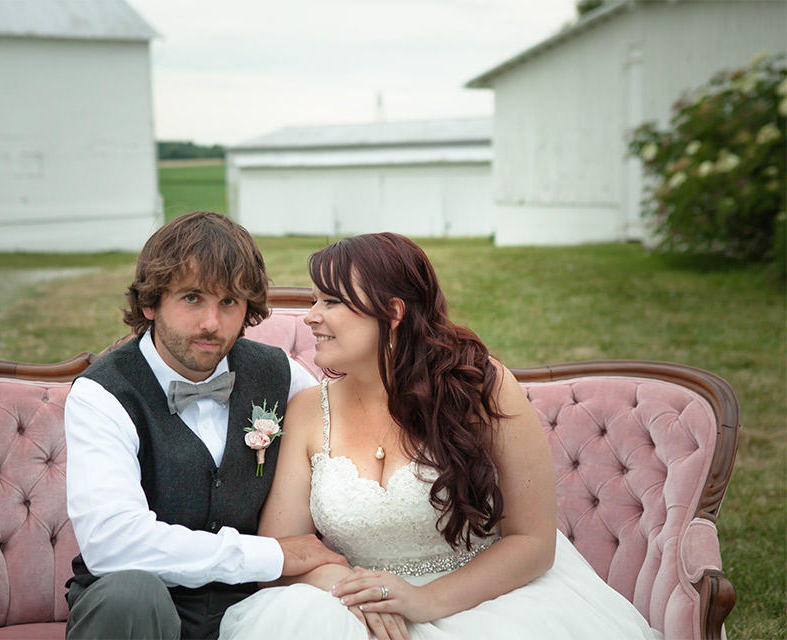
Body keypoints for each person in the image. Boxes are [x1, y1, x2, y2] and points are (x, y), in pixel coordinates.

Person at [220, 233, 662, 640]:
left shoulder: (479, 389)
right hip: (360, 603)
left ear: (393, 313)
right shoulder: (307, 411)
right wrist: (354, 590)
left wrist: (424, 601)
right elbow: (281, 553)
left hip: (490, 598)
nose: (311, 317)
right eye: (316, 300)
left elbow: (532, 541)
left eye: (331, 302)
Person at [63, 211, 346, 639]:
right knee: (131, 594)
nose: (211, 323)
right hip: (143, 613)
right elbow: (112, 543)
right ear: (150, 302)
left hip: (251, 608)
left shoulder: (278, 374)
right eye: (192, 298)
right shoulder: (102, 393)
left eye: (229, 302)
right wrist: (271, 555)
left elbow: (348, 436)